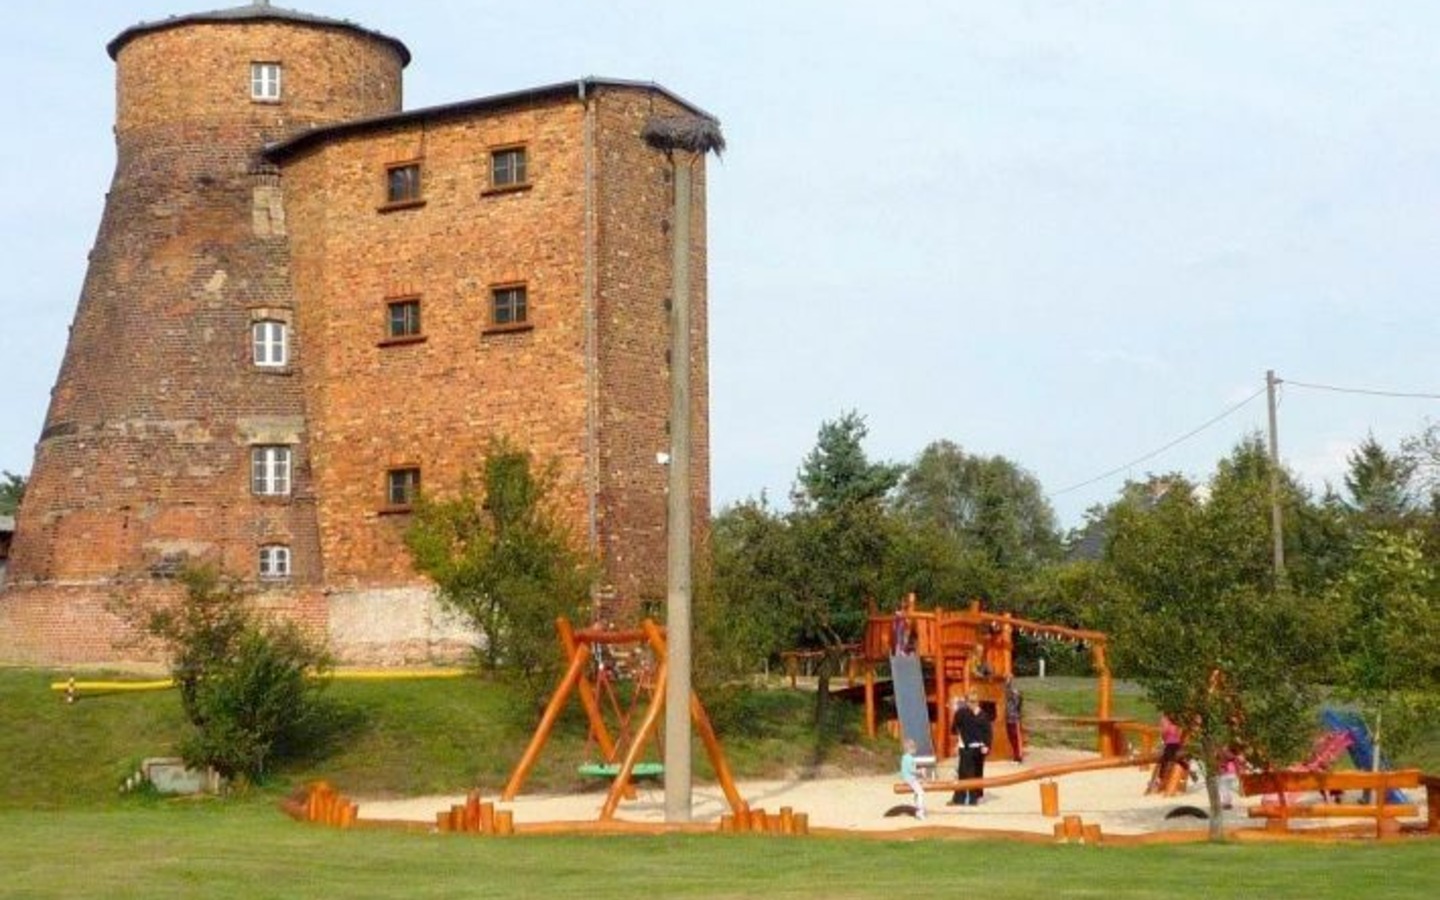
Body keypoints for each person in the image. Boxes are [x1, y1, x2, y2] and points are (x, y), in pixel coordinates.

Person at [949, 693, 992, 806]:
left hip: (971, 748)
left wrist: (986, 745)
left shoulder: (964, 713)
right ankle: (970, 797)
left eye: (972, 702)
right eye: (971, 702)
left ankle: (966, 798)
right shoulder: (979, 714)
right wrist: (986, 745)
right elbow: (988, 732)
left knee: (968, 773)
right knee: (971, 772)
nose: (971, 704)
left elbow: (953, 729)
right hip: (973, 748)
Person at [1148, 712, 1184, 794]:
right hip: (1175, 745)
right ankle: (1160, 778)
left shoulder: (1169, 725)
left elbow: (1164, 734)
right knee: (1169, 759)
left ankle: (1161, 778)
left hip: (1170, 745)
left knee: (1165, 760)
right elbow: (1178, 735)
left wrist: (1164, 738)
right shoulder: (1177, 726)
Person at [899, 738, 926, 820]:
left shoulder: (904, 757)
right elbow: (911, 770)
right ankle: (920, 812)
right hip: (910, 779)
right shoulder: (910, 758)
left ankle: (916, 809)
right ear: (910, 749)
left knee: (916, 793)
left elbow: (906, 770)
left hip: (906, 778)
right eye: (914, 748)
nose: (915, 749)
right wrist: (920, 771)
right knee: (921, 793)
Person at [1003, 676, 1024, 763]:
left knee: (1016, 738)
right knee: (1011, 738)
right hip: (1009, 718)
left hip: (1015, 719)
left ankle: (1018, 758)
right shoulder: (1011, 693)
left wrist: (1008, 681)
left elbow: (1008, 690)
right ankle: (1015, 757)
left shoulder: (1016, 693)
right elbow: (1007, 690)